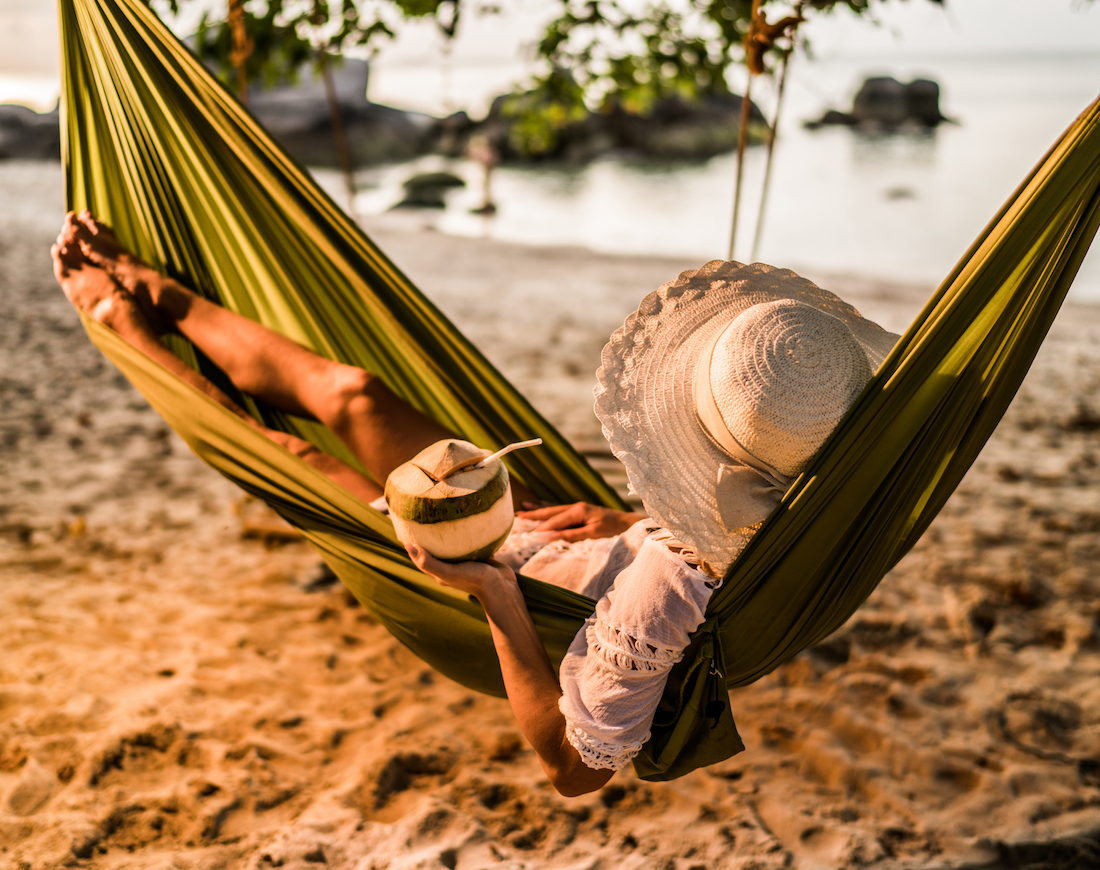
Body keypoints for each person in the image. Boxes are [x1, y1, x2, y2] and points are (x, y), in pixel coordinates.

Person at [53, 211, 899, 797]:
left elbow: (574, 772)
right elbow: (716, 546)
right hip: (561, 533)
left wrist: (494, 592)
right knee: (354, 394)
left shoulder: (665, 594)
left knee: (297, 454)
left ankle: (118, 320)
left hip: (501, 570)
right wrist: (630, 524)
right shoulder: (825, 480)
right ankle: (152, 287)